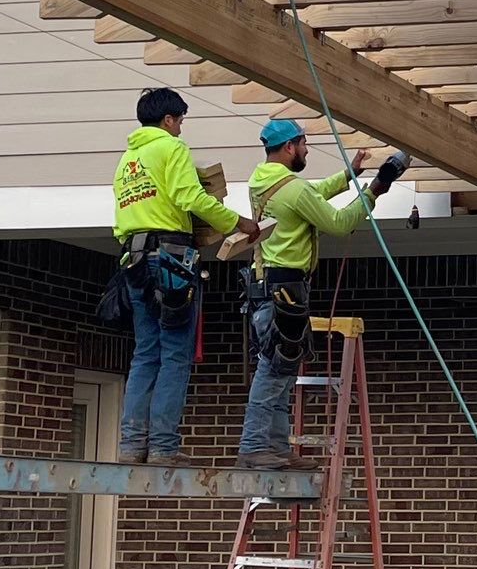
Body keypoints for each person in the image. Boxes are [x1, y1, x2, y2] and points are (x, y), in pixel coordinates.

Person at [238, 117, 408, 464]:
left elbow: (309, 194)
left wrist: (349, 174)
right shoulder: (294, 190)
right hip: (284, 288)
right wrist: (375, 189)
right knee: (273, 369)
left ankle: (277, 449)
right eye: (302, 144)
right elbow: (339, 223)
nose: (305, 149)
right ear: (289, 147)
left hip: (268, 286)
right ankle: (254, 446)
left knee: (282, 370)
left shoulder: (263, 182)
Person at [111, 88, 254, 462]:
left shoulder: (128, 159)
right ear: (169, 119)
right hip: (170, 260)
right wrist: (237, 221)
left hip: (135, 260)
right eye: (180, 122)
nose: (180, 130)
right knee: (175, 353)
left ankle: (131, 445)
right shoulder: (171, 149)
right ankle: (162, 446)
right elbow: (191, 198)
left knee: (146, 353)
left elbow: (122, 221)